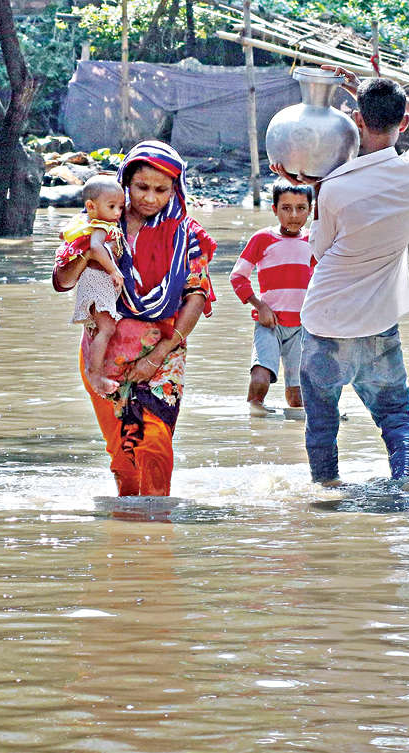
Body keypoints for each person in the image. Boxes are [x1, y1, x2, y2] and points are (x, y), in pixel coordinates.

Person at [281, 75, 409, 487]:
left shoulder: (333, 187)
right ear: (401, 124)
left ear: (357, 120)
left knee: (322, 424)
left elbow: (320, 250)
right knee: (396, 418)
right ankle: (406, 486)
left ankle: (328, 493)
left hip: (326, 321)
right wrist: (377, 97)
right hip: (378, 322)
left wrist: (318, 188)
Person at [52, 140, 216, 496]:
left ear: (175, 189)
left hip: (164, 353)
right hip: (104, 354)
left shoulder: (187, 235)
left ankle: (157, 520)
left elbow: (197, 296)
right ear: (125, 183)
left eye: (161, 189)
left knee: (155, 442)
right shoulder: (96, 224)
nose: (150, 198)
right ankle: (127, 521)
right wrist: (90, 251)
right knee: (123, 453)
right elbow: (62, 282)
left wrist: (157, 356)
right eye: (142, 187)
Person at [229, 179, 315, 417]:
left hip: (302, 326)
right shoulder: (262, 239)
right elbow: (238, 277)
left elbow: (323, 280)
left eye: (301, 208)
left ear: (310, 210)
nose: (294, 215)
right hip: (269, 323)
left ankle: (294, 432)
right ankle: (253, 420)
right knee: (260, 379)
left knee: (298, 395)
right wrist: (260, 306)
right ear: (275, 209)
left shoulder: (314, 241)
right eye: (286, 208)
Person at [57, 176, 127, 396]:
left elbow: (64, 235)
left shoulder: (87, 222)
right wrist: (113, 270)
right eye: (112, 206)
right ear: (91, 206)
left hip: (93, 280)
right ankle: (94, 373)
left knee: (101, 328)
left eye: (121, 207)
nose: (118, 212)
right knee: (107, 329)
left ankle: (95, 370)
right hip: (98, 281)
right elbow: (96, 248)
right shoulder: (100, 226)